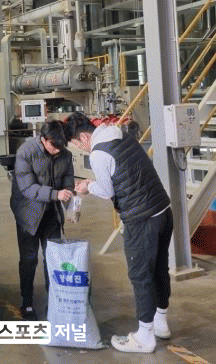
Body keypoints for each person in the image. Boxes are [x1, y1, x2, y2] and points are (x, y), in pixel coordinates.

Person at [63, 112, 173, 353]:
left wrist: (87, 187)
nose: (80, 148)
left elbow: (106, 190)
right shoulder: (120, 134)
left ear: (84, 137)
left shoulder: (99, 153)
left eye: (77, 144)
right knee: (159, 268)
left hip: (141, 218)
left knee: (140, 275)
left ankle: (145, 337)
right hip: (163, 210)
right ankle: (160, 322)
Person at [10, 120, 74, 320]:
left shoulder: (65, 154)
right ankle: (27, 303)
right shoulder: (26, 152)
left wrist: (71, 200)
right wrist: (56, 194)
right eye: (54, 146)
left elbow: (68, 180)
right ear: (43, 139)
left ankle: (54, 301)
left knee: (53, 258)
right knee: (29, 259)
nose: (58, 150)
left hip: (51, 213)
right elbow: (27, 188)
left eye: (61, 146)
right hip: (28, 213)